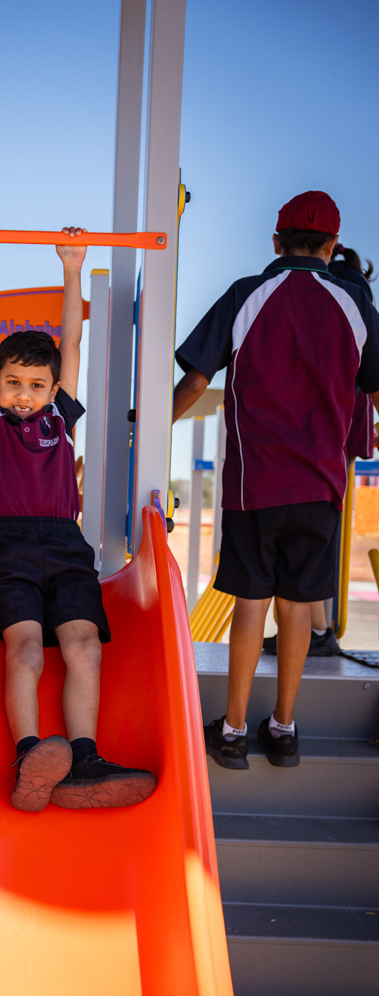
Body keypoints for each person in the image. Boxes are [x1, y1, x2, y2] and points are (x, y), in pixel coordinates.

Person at [0, 224, 156, 812]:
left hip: (67, 545)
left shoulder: (62, 416)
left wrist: (73, 267)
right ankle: (30, 755)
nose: (23, 394)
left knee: (84, 643)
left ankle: (85, 758)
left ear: (53, 388)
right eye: (12, 382)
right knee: (26, 649)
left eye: (35, 385)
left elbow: (72, 341)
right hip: (10, 545)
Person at [173, 191, 379, 770]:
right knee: (298, 607)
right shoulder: (354, 304)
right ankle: (284, 730)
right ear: (332, 246)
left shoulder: (246, 294)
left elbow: (195, 382)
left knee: (250, 603)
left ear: (276, 241)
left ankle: (233, 731)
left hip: (253, 485)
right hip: (321, 488)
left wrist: (148, 422)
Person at [262, 245, 377, 659]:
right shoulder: (351, 293)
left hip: (331, 423)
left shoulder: (337, 290)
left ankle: (321, 630)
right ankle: (318, 628)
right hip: (339, 422)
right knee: (315, 531)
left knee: (309, 535)